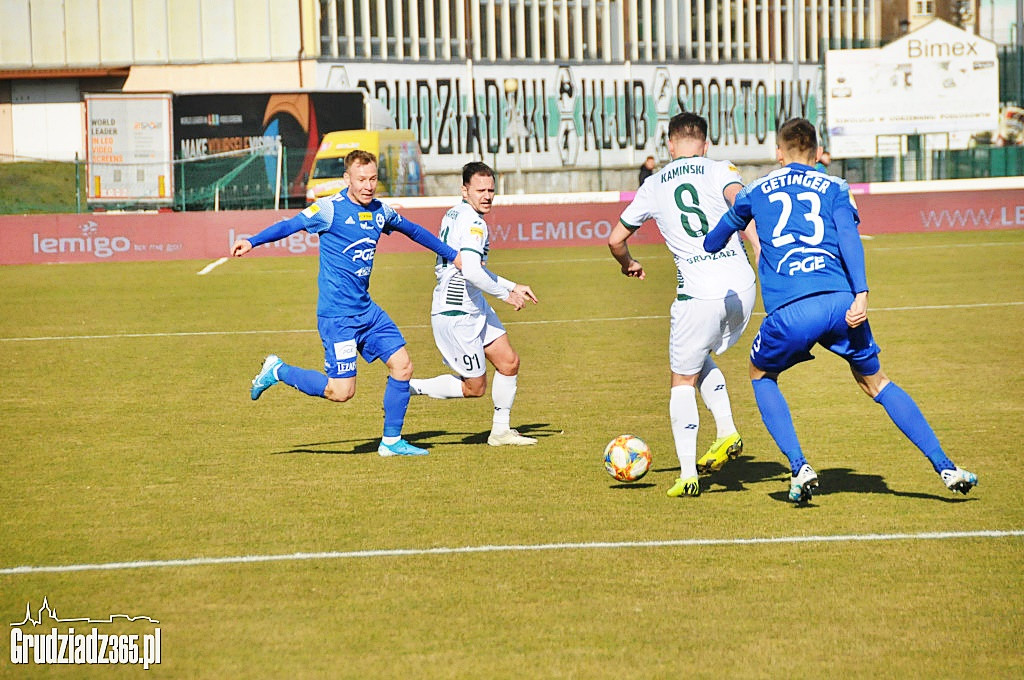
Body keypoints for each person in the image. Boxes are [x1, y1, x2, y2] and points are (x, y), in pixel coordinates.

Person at [703, 117, 977, 503]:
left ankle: (799, 466)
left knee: (761, 374)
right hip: (842, 304)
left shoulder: (755, 189)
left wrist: (722, 235)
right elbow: (849, 237)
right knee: (877, 383)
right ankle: (946, 466)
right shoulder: (836, 186)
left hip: (791, 310)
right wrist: (861, 294)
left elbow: (714, 241)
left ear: (778, 153)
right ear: (817, 154)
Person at [231, 149, 461, 457]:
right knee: (341, 392)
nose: (368, 186)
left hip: (367, 312)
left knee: (403, 365)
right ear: (347, 179)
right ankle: (278, 370)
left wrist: (452, 253)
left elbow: (415, 231)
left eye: (373, 179)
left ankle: (391, 441)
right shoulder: (329, 209)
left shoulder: (381, 212)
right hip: (338, 317)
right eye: (361, 179)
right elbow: (291, 225)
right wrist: (252, 240)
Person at [609, 112, 760, 497]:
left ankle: (689, 474)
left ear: (670, 146)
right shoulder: (719, 168)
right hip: (742, 287)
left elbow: (615, 239)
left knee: (681, 379)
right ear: (705, 145)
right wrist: (758, 247)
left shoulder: (655, 183)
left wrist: (629, 263)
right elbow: (741, 203)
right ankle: (725, 431)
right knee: (701, 354)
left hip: (698, 294)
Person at [409, 162, 539, 446]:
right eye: (480, 190)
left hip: (473, 303)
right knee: (474, 387)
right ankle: (410, 387)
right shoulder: (474, 222)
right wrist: (506, 295)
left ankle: (501, 431)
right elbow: (472, 271)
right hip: (457, 311)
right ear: (465, 190)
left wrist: (512, 284)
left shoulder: (456, 213)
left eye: (491, 189)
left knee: (509, 362)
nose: (487, 195)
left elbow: (472, 268)